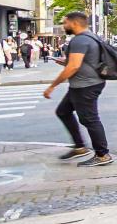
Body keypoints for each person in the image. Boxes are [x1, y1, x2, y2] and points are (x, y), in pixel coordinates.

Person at [46, 12, 111, 167]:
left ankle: (102, 155)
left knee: (89, 119)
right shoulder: (91, 37)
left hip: (85, 86)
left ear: (74, 23)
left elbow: (74, 66)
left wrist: (52, 86)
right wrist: (65, 61)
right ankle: (80, 147)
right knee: (63, 111)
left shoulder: (80, 40)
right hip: (83, 84)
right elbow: (84, 61)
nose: (64, 26)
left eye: (65, 23)